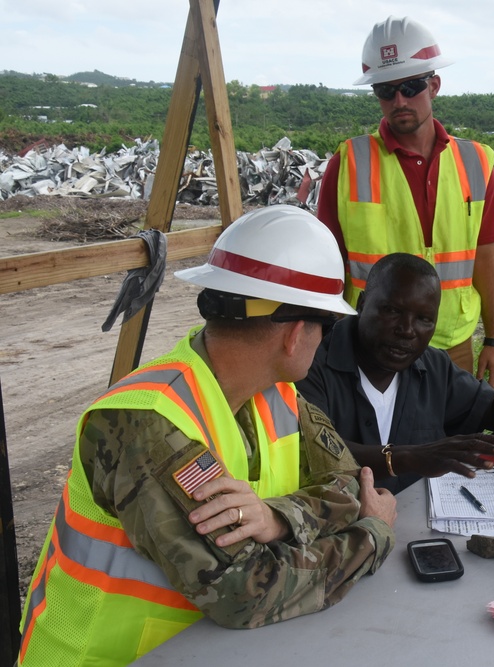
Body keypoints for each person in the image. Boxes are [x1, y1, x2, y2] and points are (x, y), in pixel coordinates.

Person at [18, 206, 397, 666]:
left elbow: (349, 483)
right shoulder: (147, 423)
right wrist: (372, 535)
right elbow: (247, 589)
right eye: (327, 325)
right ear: (296, 334)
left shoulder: (278, 395)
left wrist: (279, 518)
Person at [316, 15, 494, 389]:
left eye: (410, 86)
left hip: (452, 345)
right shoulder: (349, 163)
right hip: (370, 346)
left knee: (450, 427)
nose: (399, 100)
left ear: (433, 86)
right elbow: (328, 260)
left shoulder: (475, 162)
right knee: (374, 429)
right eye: (386, 91)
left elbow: (486, 257)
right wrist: (325, 340)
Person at [298, 253, 494, 494]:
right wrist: (409, 457)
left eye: (423, 319)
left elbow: (488, 404)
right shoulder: (309, 365)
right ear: (361, 305)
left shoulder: (433, 365)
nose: (407, 330)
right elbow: (318, 453)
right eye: (392, 311)